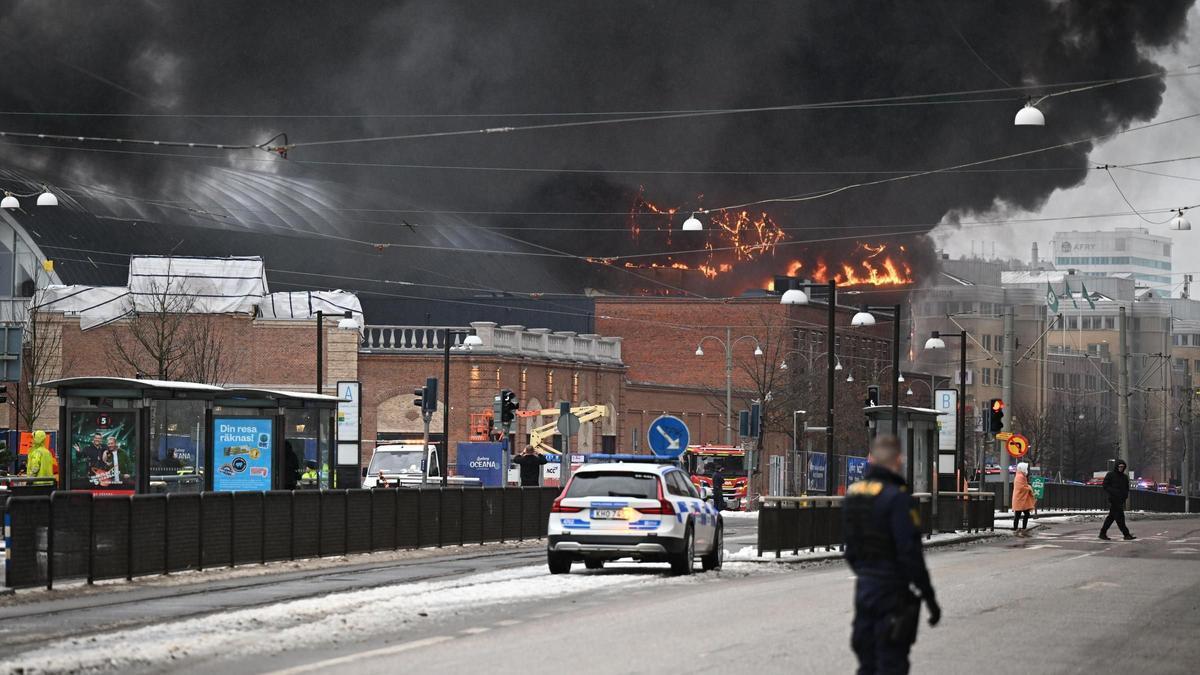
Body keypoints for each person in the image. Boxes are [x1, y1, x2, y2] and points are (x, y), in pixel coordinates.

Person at [843, 435, 940, 674]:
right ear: (898, 460)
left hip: (864, 589)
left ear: (872, 459)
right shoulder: (898, 498)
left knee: (867, 658)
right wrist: (928, 596)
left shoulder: (854, 494)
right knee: (891, 661)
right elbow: (910, 553)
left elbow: (850, 548)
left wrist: (866, 572)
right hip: (893, 591)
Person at [1100, 459, 1136, 541]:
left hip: (1120, 500)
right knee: (1120, 518)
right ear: (1116, 467)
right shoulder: (1111, 475)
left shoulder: (1124, 477)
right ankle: (1126, 534)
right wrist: (1113, 492)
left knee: (1111, 517)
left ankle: (1102, 533)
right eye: (1119, 467)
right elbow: (1105, 485)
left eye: (1122, 467)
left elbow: (1126, 488)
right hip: (1113, 499)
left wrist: (1125, 496)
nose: (1121, 468)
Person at [1011, 462, 1036, 537]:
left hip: (1022, 499)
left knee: (1020, 514)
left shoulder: (1020, 475)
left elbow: (1022, 486)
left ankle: (1019, 528)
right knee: (1019, 514)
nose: (1027, 470)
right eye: (1026, 468)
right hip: (1020, 499)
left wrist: (1027, 487)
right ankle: (1019, 528)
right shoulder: (1020, 476)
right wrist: (1029, 487)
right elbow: (1021, 487)